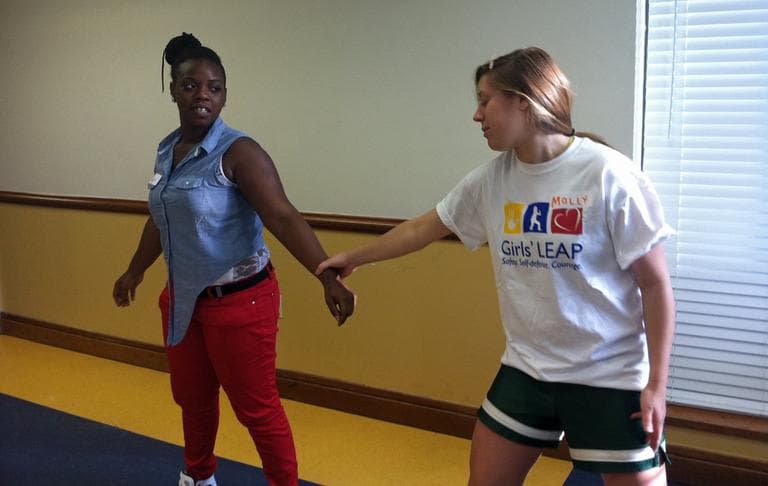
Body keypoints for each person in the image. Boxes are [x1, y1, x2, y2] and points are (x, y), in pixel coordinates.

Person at [317, 47, 675, 486]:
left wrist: (657, 385)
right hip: (528, 369)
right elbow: (423, 228)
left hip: (609, 375)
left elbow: (656, 286)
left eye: (485, 101)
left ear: (523, 101)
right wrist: (353, 258)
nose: (476, 115)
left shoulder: (609, 175)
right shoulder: (493, 179)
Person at [113, 33, 355, 486]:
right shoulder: (168, 150)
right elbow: (160, 218)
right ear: (173, 90)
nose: (203, 95)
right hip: (185, 300)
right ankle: (199, 476)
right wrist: (135, 270)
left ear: (224, 94)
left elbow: (281, 215)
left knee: (256, 409)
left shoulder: (240, 152)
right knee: (193, 399)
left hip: (240, 303)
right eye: (191, 86)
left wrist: (328, 275)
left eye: (215, 87)